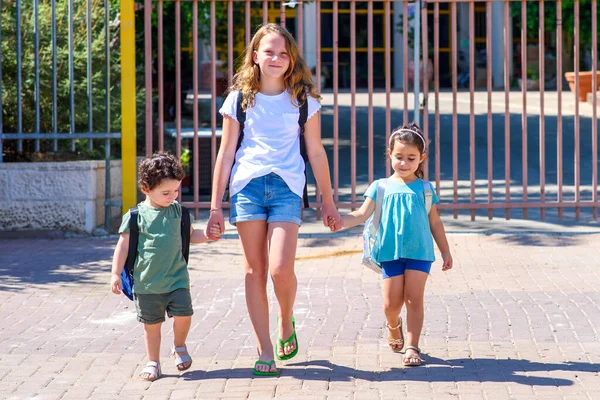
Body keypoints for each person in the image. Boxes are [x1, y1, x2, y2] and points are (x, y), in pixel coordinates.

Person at [206, 23, 342, 376]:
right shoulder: (238, 99)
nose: (276, 58)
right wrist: (214, 207)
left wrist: (328, 200)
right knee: (255, 270)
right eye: (269, 51)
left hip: (287, 187)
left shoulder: (303, 101)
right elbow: (225, 154)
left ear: (291, 58)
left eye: (283, 53)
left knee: (281, 270)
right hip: (247, 188)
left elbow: (315, 151)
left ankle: (285, 319)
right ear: (255, 56)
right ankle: (265, 348)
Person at [330, 122, 453, 366]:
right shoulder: (380, 187)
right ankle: (393, 324)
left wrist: (446, 251)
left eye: (411, 158)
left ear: (422, 158)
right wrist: (340, 221)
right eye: (399, 157)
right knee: (391, 304)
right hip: (390, 252)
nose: (404, 163)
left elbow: (435, 222)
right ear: (389, 154)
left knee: (414, 298)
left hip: (420, 253)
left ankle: (412, 347)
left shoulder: (426, 189)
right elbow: (362, 214)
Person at [110, 151, 220, 381]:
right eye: (166, 192)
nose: (173, 196)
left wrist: (208, 235)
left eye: (176, 190)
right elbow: (122, 246)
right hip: (147, 284)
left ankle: (179, 346)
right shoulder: (135, 216)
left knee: (184, 314)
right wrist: (115, 274)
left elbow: (191, 236)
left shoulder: (179, 212)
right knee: (152, 326)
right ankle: (153, 362)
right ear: (146, 189)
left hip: (177, 279)